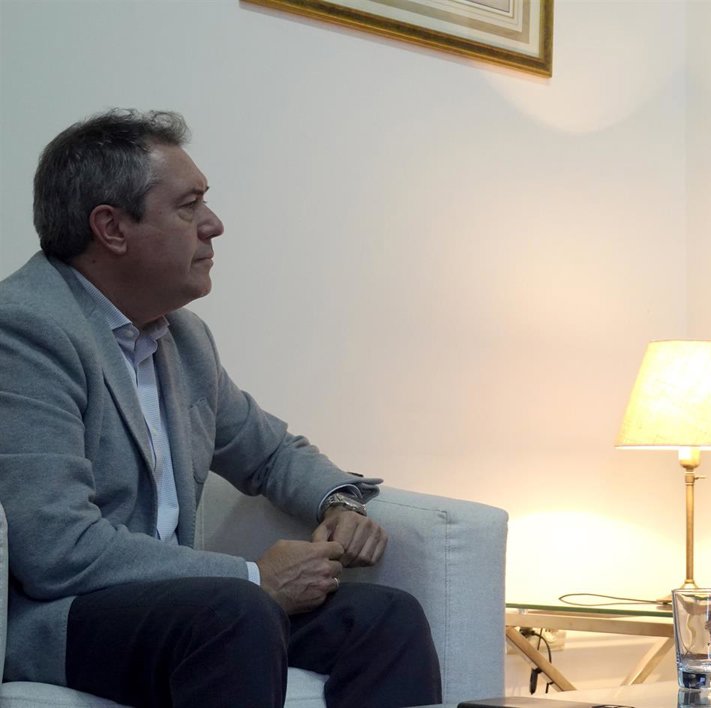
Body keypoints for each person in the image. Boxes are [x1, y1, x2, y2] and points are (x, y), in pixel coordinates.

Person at [0, 109, 442, 708]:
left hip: (187, 609)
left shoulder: (181, 337)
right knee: (236, 611)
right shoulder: (25, 330)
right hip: (68, 615)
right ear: (112, 227)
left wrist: (339, 501)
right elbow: (58, 550)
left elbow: (269, 453)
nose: (214, 225)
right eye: (189, 206)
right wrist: (255, 577)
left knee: (385, 617)